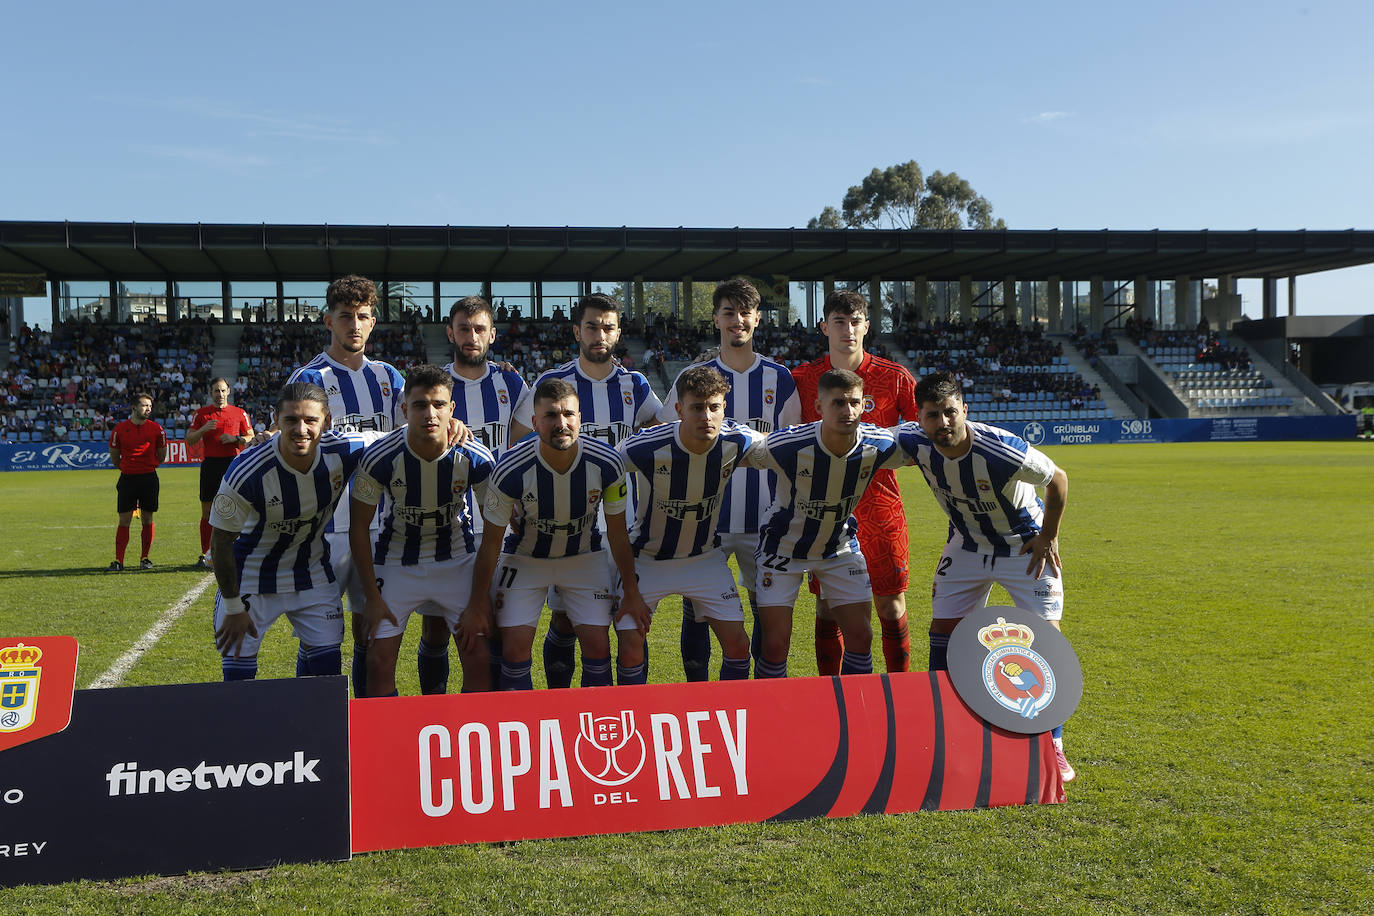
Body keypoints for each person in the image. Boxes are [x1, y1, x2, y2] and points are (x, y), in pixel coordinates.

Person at [893, 369, 1075, 782]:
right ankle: (943, 731)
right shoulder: (914, 442)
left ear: (965, 410)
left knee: (1048, 640)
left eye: (950, 412)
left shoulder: (1002, 450)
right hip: (967, 546)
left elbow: (1058, 479)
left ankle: (1053, 745)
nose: (943, 423)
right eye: (933, 415)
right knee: (942, 633)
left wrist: (1048, 536)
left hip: (1023, 547)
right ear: (919, 418)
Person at [508, 293, 662, 688]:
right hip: (568, 527)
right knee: (565, 619)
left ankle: (623, 709)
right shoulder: (552, 382)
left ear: (618, 332)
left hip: (623, 523)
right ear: (577, 330)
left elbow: (660, 432)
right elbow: (520, 438)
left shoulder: (635, 384)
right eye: (592, 326)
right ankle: (563, 705)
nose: (600, 334)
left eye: (608, 327)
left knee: (629, 621)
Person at [464, 378, 651, 690]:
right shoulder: (510, 467)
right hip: (525, 559)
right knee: (514, 648)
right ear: (535, 422)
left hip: (583, 558)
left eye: (568, 414)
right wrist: (479, 599)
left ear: (580, 418)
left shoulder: (607, 463)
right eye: (551, 416)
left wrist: (631, 591)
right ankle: (519, 729)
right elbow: (492, 542)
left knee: (597, 647)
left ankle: (595, 731)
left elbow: (618, 535)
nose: (561, 423)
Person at [657, 278, 800, 680]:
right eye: (728, 312)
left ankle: (761, 693)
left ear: (757, 318)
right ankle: (700, 695)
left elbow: (790, 449)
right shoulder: (693, 376)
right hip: (706, 520)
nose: (737, 320)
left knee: (763, 607)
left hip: (765, 519)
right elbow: (668, 434)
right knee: (698, 609)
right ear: (715, 319)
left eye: (744, 312)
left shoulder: (779, 377)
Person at [286, 275, 406, 698]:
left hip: (380, 528)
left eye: (362, 317)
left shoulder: (391, 378)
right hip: (323, 531)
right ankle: (314, 727)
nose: (354, 325)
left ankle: (367, 725)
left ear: (373, 322)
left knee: (369, 631)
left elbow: (413, 436)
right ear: (328, 321)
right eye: (345, 317)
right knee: (321, 640)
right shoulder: (307, 379)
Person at [348, 365, 497, 697]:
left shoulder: (477, 458)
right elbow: (358, 528)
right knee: (378, 660)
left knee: (478, 657)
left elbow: (494, 532)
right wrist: (371, 598)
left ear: (451, 409)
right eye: (419, 405)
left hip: (457, 561)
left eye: (439, 404)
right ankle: (387, 743)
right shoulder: (380, 457)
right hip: (397, 560)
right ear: (404, 409)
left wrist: (478, 599)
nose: (430, 413)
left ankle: (465, 739)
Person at [792, 289, 918, 675]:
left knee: (890, 605)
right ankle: (831, 695)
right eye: (839, 321)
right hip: (825, 510)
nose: (848, 329)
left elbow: (923, 431)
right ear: (824, 326)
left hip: (880, 507)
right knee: (829, 605)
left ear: (867, 326)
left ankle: (901, 690)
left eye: (856, 321)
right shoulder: (801, 379)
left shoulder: (895, 378)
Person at [209, 383, 372, 681]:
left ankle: (315, 729)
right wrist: (233, 605)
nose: (301, 429)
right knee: (237, 684)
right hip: (251, 580)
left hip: (311, 574)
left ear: (327, 421)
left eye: (310, 420)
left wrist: (450, 426)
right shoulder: (247, 470)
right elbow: (219, 542)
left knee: (327, 678)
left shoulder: (344, 450)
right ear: (276, 421)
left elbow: (401, 438)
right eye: (291, 420)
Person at [749, 369, 906, 678]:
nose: (847, 411)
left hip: (839, 548)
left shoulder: (880, 444)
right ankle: (773, 720)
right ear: (819, 408)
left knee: (861, 638)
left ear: (864, 405)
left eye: (854, 403)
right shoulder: (788, 445)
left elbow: (924, 442)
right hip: (783, 550)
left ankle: (852, 713)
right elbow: (739, 450)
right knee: (775, 645)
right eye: (838, 403)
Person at [618, 366, 763, 683]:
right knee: (630, 647)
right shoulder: (646, 446)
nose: (706, 416)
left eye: (714, 407)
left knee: (739, 645)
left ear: (724, 407)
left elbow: (781, 449)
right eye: (697, 407)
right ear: (680, 409)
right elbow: (600, 468)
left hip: (704, 559)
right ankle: (634, 719)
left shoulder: (737, 440)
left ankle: (730, 718)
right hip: (647, 559)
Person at [437, 295, 528, 690]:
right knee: (437, 630)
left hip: (501, 523)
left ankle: (493, 710)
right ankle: (433, 709)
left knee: (501, 624)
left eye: (479, 329)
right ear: (450, 332)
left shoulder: (511, 381)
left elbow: (522, 446)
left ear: (492, 334)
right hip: (446, 522)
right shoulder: (432, 383)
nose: (471, 336)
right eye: (463, 328)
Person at [186, 378, 253, 568]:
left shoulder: (240, 413)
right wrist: (203, 430)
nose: (220, 394)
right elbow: (190, 439)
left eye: (223, 391)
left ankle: (238, 550)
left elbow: (251, 437)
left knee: (237, 509)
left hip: (233, 465)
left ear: (229, 391)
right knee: (207, 511)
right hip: (210, 465)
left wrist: (234, 438)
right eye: (216, 391)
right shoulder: (201, 414)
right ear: (211, 392)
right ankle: (204, 553)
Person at [107, 392, 167, 572]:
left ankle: (145, 558)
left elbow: (161, 456)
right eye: (144, 405)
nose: (148, 409)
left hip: (149, 478)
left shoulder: (157, 429)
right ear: (134, 407)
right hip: (127, 479)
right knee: (124, 519)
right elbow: (115, 458)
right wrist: (129, 468)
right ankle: (119, 560)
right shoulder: (119, 429)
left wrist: (147, 466)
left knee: (147, 519)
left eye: (150, 406)